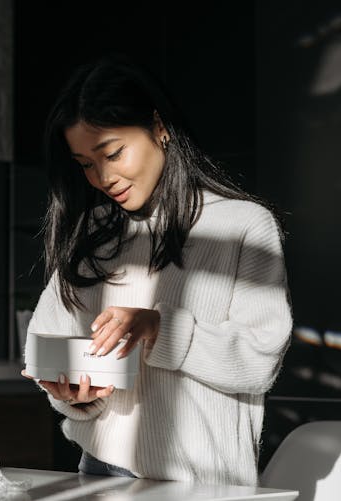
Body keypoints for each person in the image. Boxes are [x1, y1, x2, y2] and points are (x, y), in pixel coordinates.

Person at [21, 57, 293, 486]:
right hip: (101, 472)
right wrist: (77, 396)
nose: (103, 176)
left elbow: (259, 361)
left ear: (159, 126)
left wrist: (157, 326)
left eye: (112, 153)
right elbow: (47, 340)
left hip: (204, 482)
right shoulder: (93, 235)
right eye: (86, 164)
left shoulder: (243, 225)